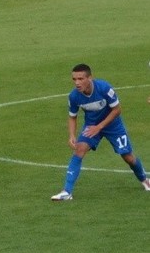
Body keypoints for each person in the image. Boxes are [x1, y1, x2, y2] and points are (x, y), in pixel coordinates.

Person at [51, 65, 150, 201]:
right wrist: (72, 135)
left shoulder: (104, 88)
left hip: (113, 125)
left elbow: (117, 110)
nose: (77, 83)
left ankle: (145, 180)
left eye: (81, 78)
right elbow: (72, 116)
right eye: (74, 79)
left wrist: (100, 127)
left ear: (90, 78)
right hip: (91, 126)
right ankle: (67, 192)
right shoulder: (74, 96)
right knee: (79, 150)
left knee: (128, 157)